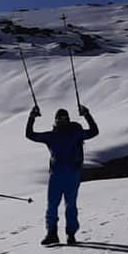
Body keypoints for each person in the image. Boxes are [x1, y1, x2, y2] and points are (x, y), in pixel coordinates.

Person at [26, 105, 99, 245]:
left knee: (66, 205)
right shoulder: (62, 135)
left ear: (67, 119)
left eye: (63, 117)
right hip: (63, 175)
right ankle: (55, 234)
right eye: (59, 118)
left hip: (66, 174)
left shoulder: (68, 134)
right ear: (56, 120)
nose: (60, 120)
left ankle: (66, 234)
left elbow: (94, 132)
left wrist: (32, 117)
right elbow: (30, 135)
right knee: (57, 205)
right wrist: (86, 114)